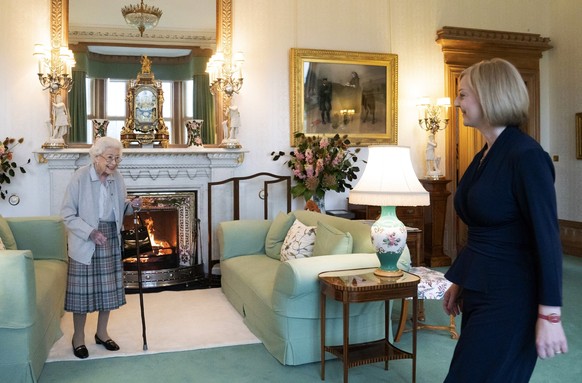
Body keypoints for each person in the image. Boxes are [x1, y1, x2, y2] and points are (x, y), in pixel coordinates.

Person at [442, 58, 568, 382]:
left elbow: (547, 237)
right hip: (482, 288)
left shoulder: (526, 156)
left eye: (463, 94)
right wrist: (461, 280)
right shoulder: (484, 155)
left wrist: (550, 314)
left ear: (489, 96)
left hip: (512, 297)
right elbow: (486, 228)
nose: (457, 103)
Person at [60, 137, 141, 359]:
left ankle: (102, 333)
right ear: (96, 157)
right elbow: (67, 214)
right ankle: (78, 337)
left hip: (109, 238)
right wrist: (90, 232)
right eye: (110, 158)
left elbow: (120, 208)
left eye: (117, 159)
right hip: (86, 239)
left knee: (108, 291)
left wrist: (131, 206)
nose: (114, 163)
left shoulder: (118, 178)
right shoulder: (80, 177)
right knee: (82, 293)